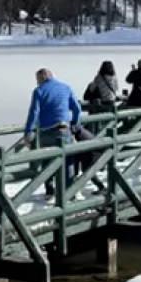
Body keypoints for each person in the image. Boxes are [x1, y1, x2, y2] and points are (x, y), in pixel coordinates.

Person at [23, 68, 81, 196]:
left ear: (41, 78)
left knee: (47, 161)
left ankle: (50, 190)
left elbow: (34, 113)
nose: (37, 83)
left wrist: (28, 132)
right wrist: (75, 124)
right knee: (68, 161)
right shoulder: (66, 88)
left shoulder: (39, 91)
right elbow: (77, 108)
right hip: (64, 129)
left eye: (37, 80)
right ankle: (69, 192)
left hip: (46, 131)